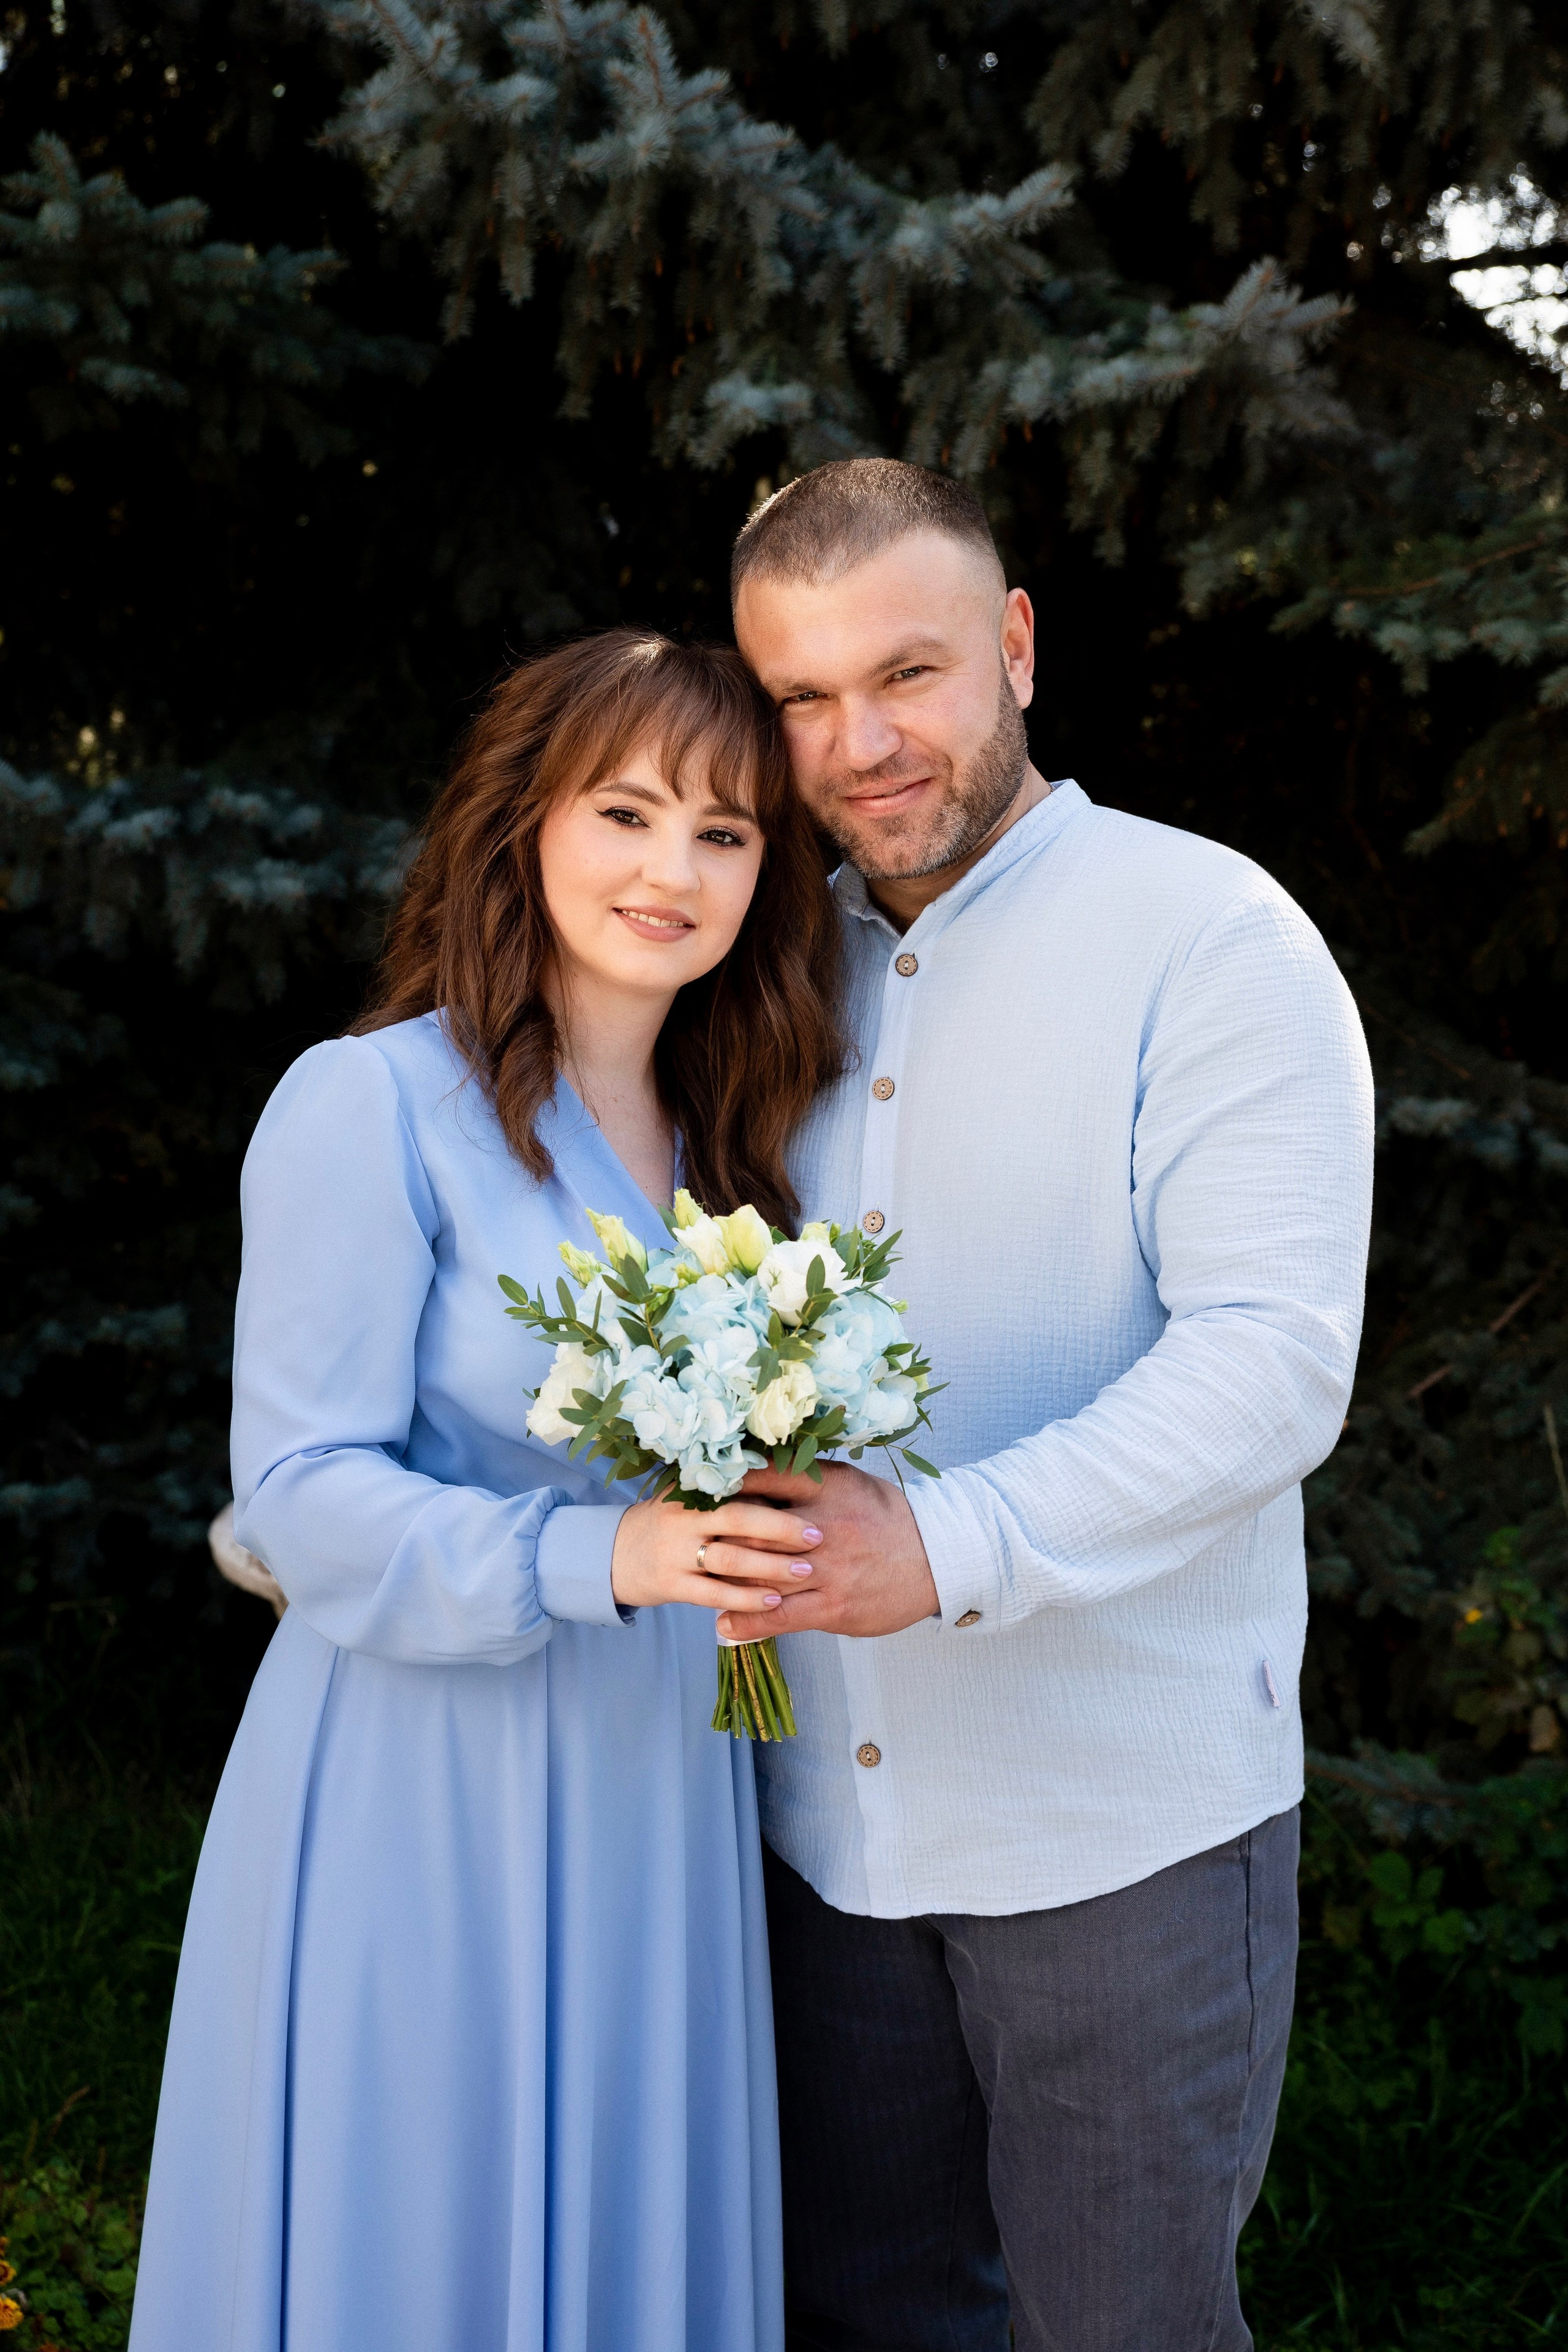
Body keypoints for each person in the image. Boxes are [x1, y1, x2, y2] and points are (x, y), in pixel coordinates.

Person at [722, 459, 1376, 2352]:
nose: (861, 744)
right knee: (862, 2325)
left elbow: (1270, 1366)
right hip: (818, 1836)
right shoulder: (765, 966)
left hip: (1123, 1840)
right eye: (801, 698)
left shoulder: (1208, 936)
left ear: (1014, 648)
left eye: (907, 672)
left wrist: (942, 1539)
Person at [128, 630, 846, 2352]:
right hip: (417, 1787)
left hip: (660, 1797)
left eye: (729, 832)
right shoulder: (368, 1103)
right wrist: (615, 1552)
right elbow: (296, 1496)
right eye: (625, 812)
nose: (675, 871)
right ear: (521, 823)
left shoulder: (750, 1150)